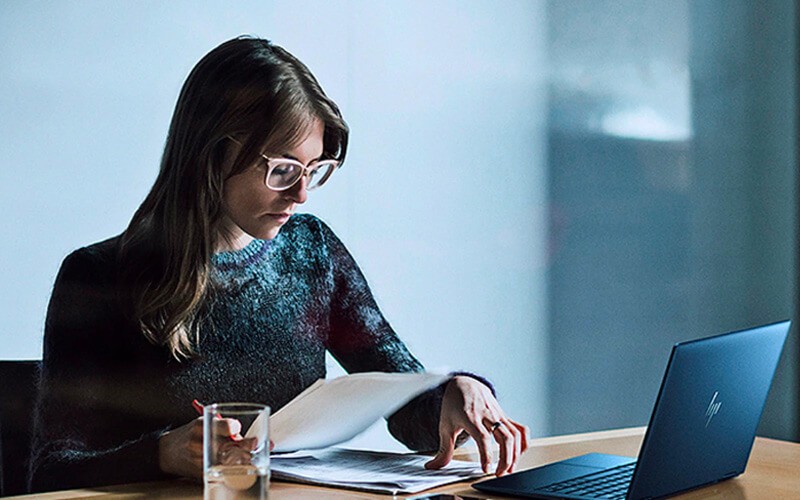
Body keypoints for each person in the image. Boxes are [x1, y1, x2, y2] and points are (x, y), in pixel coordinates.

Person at [28, 36, 529, 493]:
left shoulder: (312, 252)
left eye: (314, 170)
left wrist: (454, 394)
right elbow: (51, 472)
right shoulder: (97, 277)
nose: (302, 194)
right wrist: (164, 453)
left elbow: (400, 396)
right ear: (212, 156)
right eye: (283, 169)